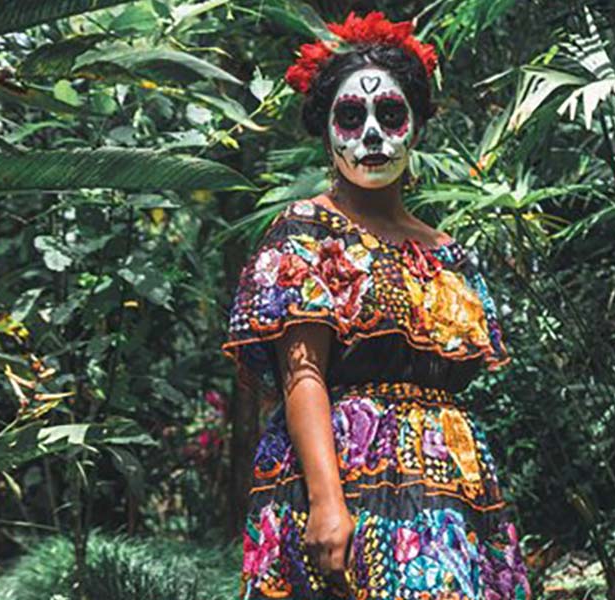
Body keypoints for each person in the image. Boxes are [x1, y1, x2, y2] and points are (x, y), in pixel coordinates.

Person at [221, 11, 532, 600]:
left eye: (390, 114)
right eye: (350, 116)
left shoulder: (447, 252)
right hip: (341, 472)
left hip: (449, 487)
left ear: (415, 126)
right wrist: (326, 503)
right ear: (326, 130)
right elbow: (301, 373)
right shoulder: (307, 229)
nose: (370, 135)